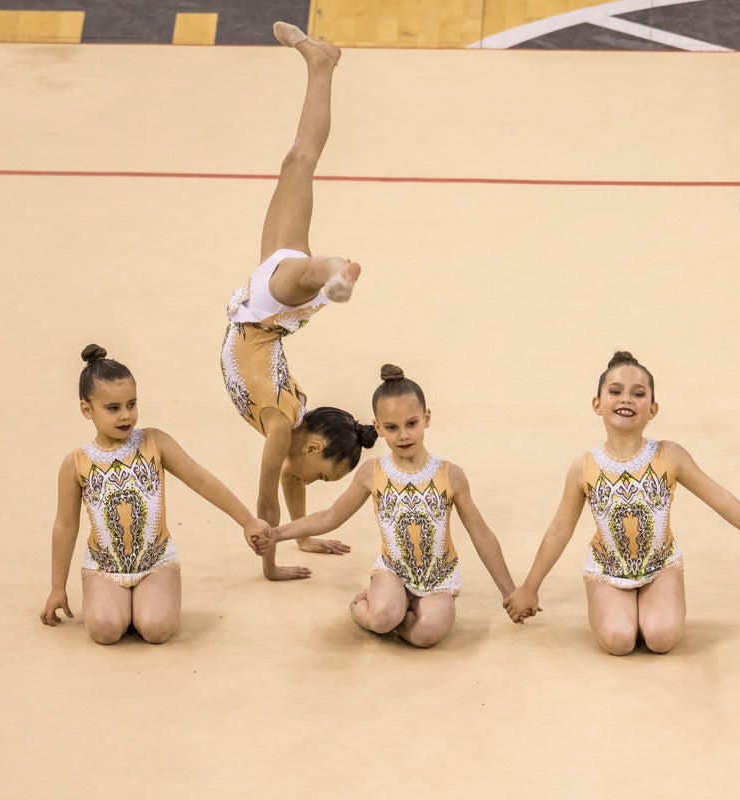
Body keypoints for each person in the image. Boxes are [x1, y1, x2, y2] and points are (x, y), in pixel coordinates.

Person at [221, 22, 375, 579]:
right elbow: (266, 504)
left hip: (268, 317)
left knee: (300, 159)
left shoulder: (290, 428)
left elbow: (283, 482)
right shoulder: (286, 426)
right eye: (325, 476)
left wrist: (299, 541)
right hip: (267, 310)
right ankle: (341, 273)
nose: (315, 484)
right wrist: (273, 567)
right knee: (307, 249)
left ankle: (321, 64)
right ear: (315, 450)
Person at [503, 352, 740, 656]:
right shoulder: (583, 467)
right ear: (597, 404)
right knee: (618, 640)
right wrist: (530, 587)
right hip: (607, 570)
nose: (626, 399)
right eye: (615, 391)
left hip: (660, 567)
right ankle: (616, 604)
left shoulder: (669, 455)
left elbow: (719, 497)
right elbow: (560, 529)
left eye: (638, 394)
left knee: (661, 637)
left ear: (652, 409)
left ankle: (651, 602)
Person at [258, 365, 519, 647]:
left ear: (426, 418)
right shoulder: (373, 472)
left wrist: (510, 592)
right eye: (392, 428)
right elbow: (331, 516)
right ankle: (365, 607)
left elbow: (481, 534)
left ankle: (404, 617)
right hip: (392, 571)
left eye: (412, 423)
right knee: (382, 618)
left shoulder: (450, 475)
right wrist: (276, 534)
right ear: (379, 428)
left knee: (426, 634)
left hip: (438, 578)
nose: (403, 435)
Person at [40, 345, 272, 644]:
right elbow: (65, 526)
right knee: (105, 630)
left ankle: (145, 603)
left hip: (155, 563)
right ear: (87, 409)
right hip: (104, 567)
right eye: (113, 408)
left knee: (156, 629)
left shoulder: (155, 442)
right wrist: (57, 587)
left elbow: (201, 480)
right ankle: (120, 605)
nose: (126, 415)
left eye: (131, 404)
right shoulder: (76, 463)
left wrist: (247, 521)